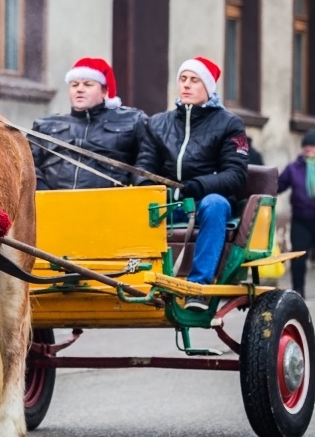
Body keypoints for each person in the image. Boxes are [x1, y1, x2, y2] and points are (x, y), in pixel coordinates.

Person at [133, 56, 249, 311]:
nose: (186, 85)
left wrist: (201, 185)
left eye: (194, 80)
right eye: (183, 79)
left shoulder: (230, 124)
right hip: (169, 202)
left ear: (208, 88)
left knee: (215, 204)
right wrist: (145, 187)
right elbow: (143, 167)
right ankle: (136, 282)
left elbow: (237, 174)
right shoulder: (157, 123)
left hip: (208, 200)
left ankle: (197, 289)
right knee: (134, 203)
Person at [29, 57, 147, 190]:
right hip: (53, 203)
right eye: (74, 85)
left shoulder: (133, 120)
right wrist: (40, 187)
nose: (79, 89)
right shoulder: (45, 125)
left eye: (88, 84)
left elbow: (147, 161)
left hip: (111, 204)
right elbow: (27, 162)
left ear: (104, 91)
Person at [278, 129, 315, 298]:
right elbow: (279, 185)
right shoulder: (294, 168)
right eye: (306, 145)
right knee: (298, 257)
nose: (308, 148)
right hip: (301, 219)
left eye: (312, 145)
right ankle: (298, 290)